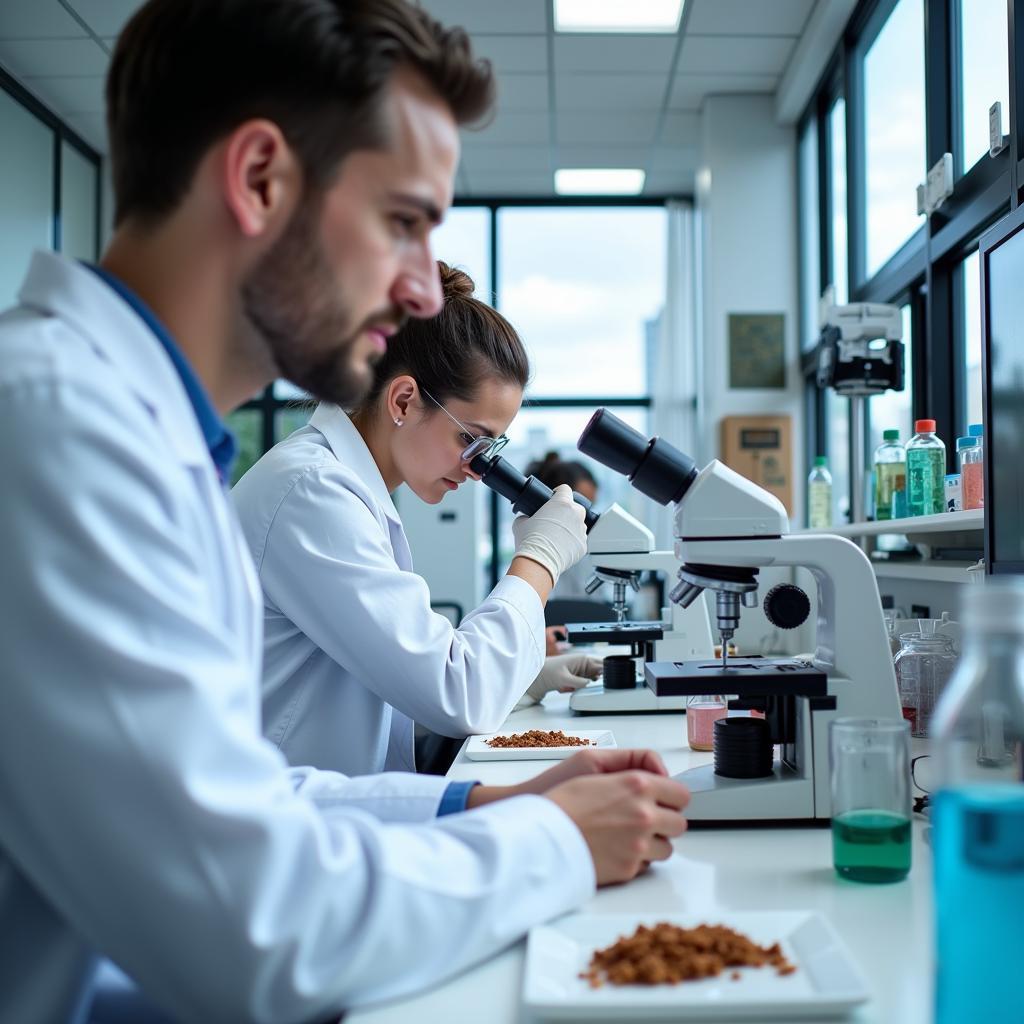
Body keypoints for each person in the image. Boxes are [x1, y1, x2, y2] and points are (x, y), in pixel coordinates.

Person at [0, 1, 690, 1022]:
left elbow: (255, 793)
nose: (420, 292)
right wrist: (554, 842)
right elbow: (254, 926)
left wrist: (485, 801)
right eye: (401, 222)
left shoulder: (143, 435)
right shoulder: (57, 432)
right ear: (260, 180)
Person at [233, 261, 602, 778]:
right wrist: (539, 560)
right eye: (471, 440)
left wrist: (526, 679)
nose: (477, 468)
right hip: (270, 826)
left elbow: (400, 680)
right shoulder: (312, 493)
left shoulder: (346, 488)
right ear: (404, 400)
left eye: (491, 446)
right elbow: (458, 692)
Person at [528, 452, 603, 602]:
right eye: (581, 508)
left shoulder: (586, 545)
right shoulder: (540, 546)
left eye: (591, 508)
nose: (586, 518)